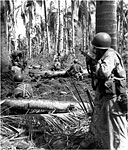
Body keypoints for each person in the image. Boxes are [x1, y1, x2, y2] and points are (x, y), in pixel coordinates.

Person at [88, 32, 128, 150]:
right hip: (107, 97)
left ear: (100, 48)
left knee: (118, 130)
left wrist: (96, 64)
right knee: (103, 127)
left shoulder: (110, 55)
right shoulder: (105, 55)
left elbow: (104, 73)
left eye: (96, 48)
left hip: (114, 98)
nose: (94, 51)